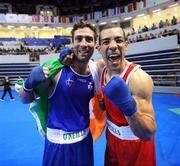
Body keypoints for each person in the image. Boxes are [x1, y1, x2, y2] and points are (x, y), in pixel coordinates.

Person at [19, 21, 102, 166]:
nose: (84, 43)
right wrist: (28, 83)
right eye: (79, 39)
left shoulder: (96, 70)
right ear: (72, 42)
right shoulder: (56, 70)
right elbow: (25, 99)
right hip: (58, 145)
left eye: (89, 39)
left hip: (84, 143)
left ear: (95, 44)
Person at [98, 24, 156, 166]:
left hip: (136, 146)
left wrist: (128, 108)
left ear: (126, 45)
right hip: (111, 140)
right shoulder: (101, 68)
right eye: (106, 42)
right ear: (99, 49)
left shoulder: (138, 79)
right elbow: (79, 64)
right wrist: (61, 62)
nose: (113, 46)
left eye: (118, 40)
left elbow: (148, 134)